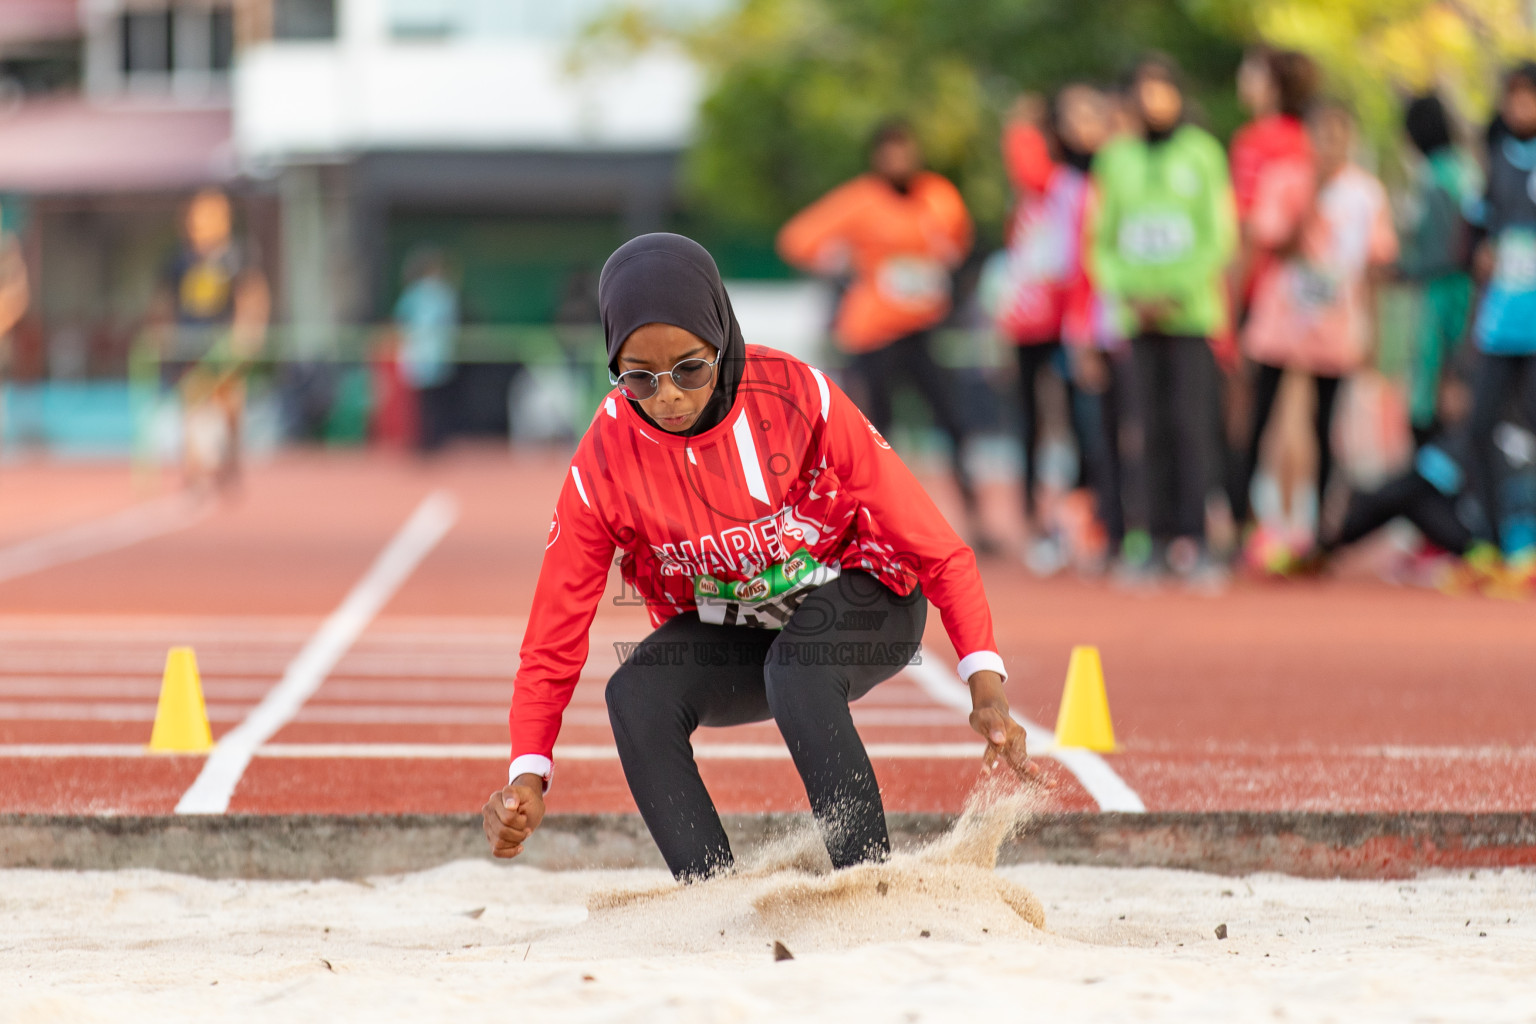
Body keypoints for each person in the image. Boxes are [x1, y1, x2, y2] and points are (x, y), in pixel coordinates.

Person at [481, 234, 1034, 881]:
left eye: (690, 368)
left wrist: (985, 683)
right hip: (746, 620)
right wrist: (528, 775)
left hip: (868, 591)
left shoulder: (798, 397)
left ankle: (871, 886)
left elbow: (940, 550)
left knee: (799, 668)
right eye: (639, 378)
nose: (669, 398)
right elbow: (553, 635)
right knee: (636, 694)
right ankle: (710, 893)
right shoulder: (604, 461)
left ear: (721, 338)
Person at [777, 121, 993, 552]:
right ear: (877, 159)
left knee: (954, 423)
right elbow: (797, 240)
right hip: (873, 336)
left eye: (904, 151)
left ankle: (978, 522)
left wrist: (943, 266)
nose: (898, 161)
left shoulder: (939, 195)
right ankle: (872, 529)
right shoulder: (860, 200)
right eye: (888, 154)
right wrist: (841, 264)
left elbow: (958, 241)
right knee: (877, 436)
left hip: (922, 332)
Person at [1089, 56, 1237, 582]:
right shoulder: (1115, 159)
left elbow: (1218, 235)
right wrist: (1132, 293)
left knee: (1191, 426)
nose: (1154, 101)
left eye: (1162, 90)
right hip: (1137, 316)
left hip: (1191, 314)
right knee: (1145, 428)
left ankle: (1194, 541)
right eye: (1144, 91)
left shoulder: (1203, 154)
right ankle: (1149, 541)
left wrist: (1174, 291)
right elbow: (1100, 239)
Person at [1236, 100, 1399, 558]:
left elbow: (1373, 267)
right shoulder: (1285, 180)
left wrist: (1374, 331)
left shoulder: (1366, 194)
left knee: (1324, 425)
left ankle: (1319, 533)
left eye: (1338, 135)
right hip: (1281, 320)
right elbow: (1274, 245)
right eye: (1321, 135)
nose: (1329, 146)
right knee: (1260, 420)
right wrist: (1308, 200)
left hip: (1334, 324)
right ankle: (1240, 520)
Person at [996, 87, 1122, 572]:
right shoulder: (1047, 189)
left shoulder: (1077, 181)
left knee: (1087, 425)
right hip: (1041, 319)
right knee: (1042, 421)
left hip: (1079, 318)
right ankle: (1044, 520)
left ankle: (1090, 519)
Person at [1465, 62, 1536, 568]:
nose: (1521, 108)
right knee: (1480, 426)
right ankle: (1491, 538)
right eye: (1513, 98)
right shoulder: (1495, 163)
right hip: (1500, 324)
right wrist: (1482, 255)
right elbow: (1474, 238)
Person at [153, 189, 269, 491]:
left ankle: (230, 461)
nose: (200, 225)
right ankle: (193, 469)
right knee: (191, 403)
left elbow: (253, 295)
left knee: (230, 403)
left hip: (225, 341)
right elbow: (165, 302)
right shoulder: (179, 260)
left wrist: (248, 333)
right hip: (189, 342)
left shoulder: (236, 255)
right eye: (196, 217)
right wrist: (164, 335)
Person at [1398, 93, 1479, 448]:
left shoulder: (1435, 177)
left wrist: (1402, 270)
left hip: (1444, 292)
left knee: (1430, 391)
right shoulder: (1464, 167)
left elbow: (1441, 250)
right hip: (1470, 291)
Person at [393, 247, 459, 454]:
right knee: (424, 403)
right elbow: (402, 320)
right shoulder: (419, 294)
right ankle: (426, 441)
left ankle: (434, 441)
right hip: (422, 354)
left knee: (434, 401)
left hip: (434, 355)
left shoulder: (442, 294)